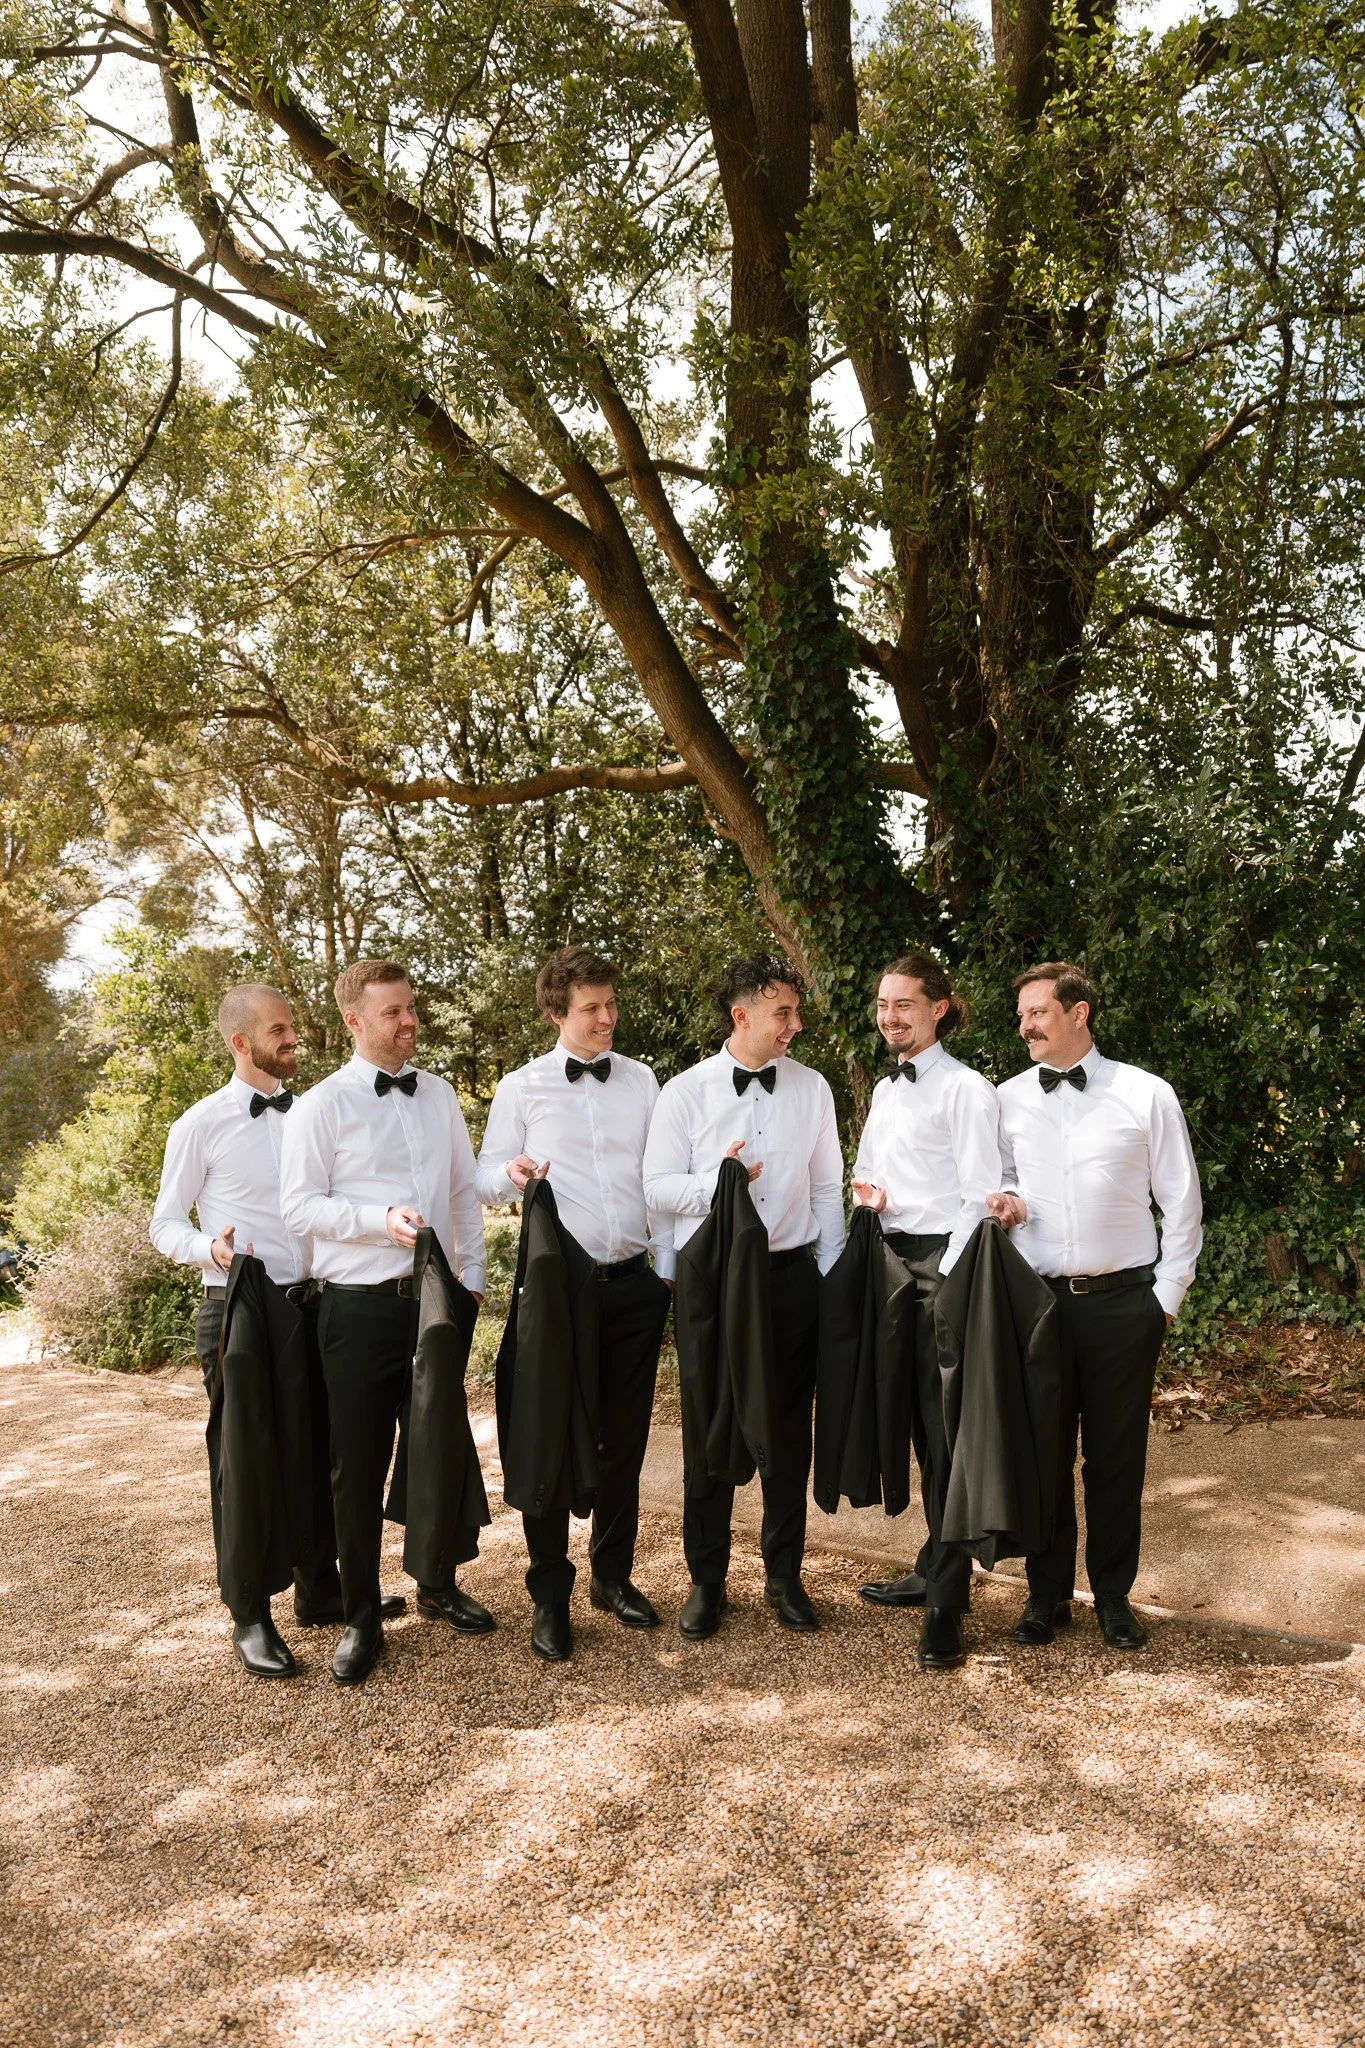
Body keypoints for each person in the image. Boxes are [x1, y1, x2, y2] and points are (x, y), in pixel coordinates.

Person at [279, 960, 490, 1685]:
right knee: (357, 1468)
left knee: (438, 1449)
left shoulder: (438, 1095)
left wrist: (472, 1284)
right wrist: (377, 1222)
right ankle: (362, 1615)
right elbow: (298, 1207)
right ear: (354, 1022)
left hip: (437, 1302)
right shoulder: (320, 1106)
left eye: (411, 1009)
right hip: (357, 1309)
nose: (410, 1022)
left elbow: (463, 1192)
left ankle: (438, 1584)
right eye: (394, 1012)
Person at [987, 962, 1202, 1649]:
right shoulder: (1006, 1099)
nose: (1023, 1026)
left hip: (1122, 1306)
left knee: (1115, 1459)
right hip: (1037, 1306)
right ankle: (1044, 1596)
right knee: (1042, 1456)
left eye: (1036, 1012)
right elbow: (995, 1178)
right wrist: (1005, 1200)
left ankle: (1112, 1596)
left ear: (1077, 1014)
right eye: (1020, 1014)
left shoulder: (1145, 1094)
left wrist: (1164, 1296)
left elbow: (1182, 1199)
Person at [476, 946, 673, 1662]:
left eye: (611, 1004)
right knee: (551, 1441)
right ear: (556, 1012)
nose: (607, 1018)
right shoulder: (521, 1087)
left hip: (633, 1285)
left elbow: (662, 1175)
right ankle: (550, 1597)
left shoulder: (645, 1081)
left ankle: (612, 1578)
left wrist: (670, 1265)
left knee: (624, 1440)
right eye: (591, 1008)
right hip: (558, 1294)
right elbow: (481, 1178)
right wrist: (510, 1170)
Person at [643, 953, 845, 1639]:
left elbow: (825, 1187)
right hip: (714, 1285)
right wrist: (717, 1180)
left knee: (789, 1431)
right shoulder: (685, 1093)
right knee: (709, 1427)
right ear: (742, 1015)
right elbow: (656, 1188)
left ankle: (783, 1576)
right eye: (782, 1012)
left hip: (790, 1278)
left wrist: (829, 1270)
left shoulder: (812, 1088)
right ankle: (706, 1581)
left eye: (793, 1011)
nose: (794, 1024)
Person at [149, 983, 347, 1678]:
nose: (293, 1038)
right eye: (279, 1030)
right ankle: (251, 1614)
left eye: (292, 1027)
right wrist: (212, 1249)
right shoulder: (199, 1124)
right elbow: (165, 1225)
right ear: (241, 1042)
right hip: (238, 1306)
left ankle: (322, 1592)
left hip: (318, 1303)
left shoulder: (319, 1112)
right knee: (248, 1461)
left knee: (323, 1450)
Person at [849, 953, 1002, 1671]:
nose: (889, 1017)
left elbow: (981, 1196)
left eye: (903, 1004)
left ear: (938, 1007)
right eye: (883, 1005)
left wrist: (943, 1277)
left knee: (945, 1437)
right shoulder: (884, 1090)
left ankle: (946, 1602)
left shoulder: (967, 1090)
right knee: (908, 1422)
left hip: (942, 1267)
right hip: (888, 1263)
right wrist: (868, 1195)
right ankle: (930, 1561)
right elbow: (873, 1170)